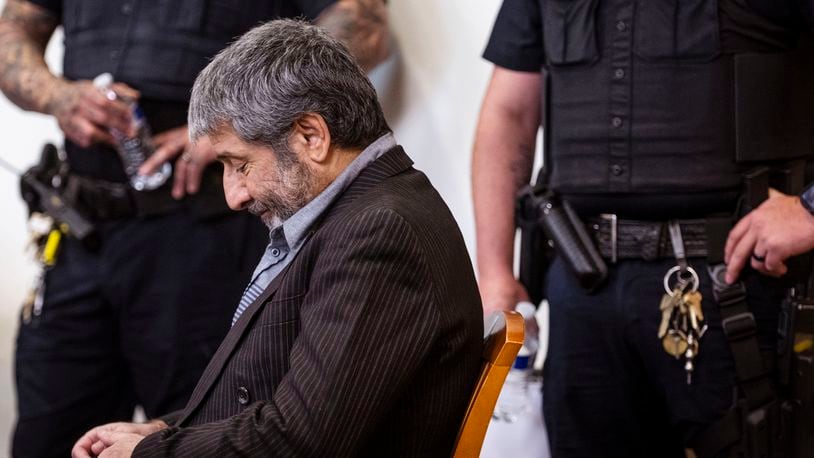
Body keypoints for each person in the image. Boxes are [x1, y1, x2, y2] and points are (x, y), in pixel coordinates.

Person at [71, 19, 483, 458]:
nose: (234, 195)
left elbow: (302, 441)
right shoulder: (361, 214)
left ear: (311, 136)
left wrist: (149, 453)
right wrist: (158, 432)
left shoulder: (378, 233)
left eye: (239, 164)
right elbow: (274, 401)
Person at [0, 1, 389, 456]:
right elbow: (13, 30)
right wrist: (58, 96)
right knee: (51, 437)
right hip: (83, 231)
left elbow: (361, 26)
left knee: (201, 431)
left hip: (206, 236)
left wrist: (229, 127)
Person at [474, 0, 813, 456]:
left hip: (737, 287)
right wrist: (494, 272)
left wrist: (811, 210)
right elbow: (509, 112)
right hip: (584, 291)